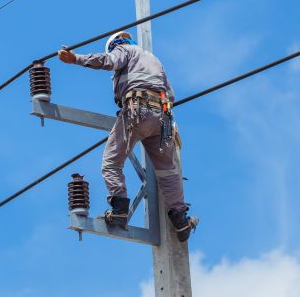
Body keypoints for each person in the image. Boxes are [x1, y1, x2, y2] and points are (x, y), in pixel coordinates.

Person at [57, 31, 197, 241]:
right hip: (162, 119)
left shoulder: (125, 50)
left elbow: (109, 61)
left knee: (111, 162)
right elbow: (171, 95)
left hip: (137, 112)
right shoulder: (154, 60)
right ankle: (180, 220)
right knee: (168, 171)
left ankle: (120, 208)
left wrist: (75, 58)